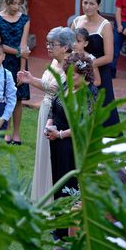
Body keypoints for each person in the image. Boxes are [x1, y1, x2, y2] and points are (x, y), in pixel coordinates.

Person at [17, 27, 73, 203]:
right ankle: (42, 195)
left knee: (54, 156)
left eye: (52, 44)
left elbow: (64, 91)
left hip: (60, 115)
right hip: (46, 110)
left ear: (65, 47)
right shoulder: (55, 62)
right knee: (43, 152)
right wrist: (31, 80)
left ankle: (53, 197)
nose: (48, 47)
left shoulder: (71, 65)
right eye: (47, 43)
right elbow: (50, 86)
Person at [45, 53, 97, 201]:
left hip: (73, 145)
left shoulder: (91, 93)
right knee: (57, 182)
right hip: (56, 142)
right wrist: (49, 125)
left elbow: (84, 124)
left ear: (84, 74)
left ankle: (68, 220)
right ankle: (58, 220)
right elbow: (54, 106)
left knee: (68, 185)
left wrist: (60, 134)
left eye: (73, 75)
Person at [71, 0, 119, 127]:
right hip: (78, 75)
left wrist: (87, 64)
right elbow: (69, 47)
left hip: (100, 75)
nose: (87, 6)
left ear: (99, 6)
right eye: (85, 3)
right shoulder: (76, 21)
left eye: (92, 3)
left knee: (104, 115)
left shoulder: (105, 25)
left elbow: (109, 57)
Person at [0, 0, 31, 145]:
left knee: (18, 99)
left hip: (19, 62)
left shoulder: (25, 19)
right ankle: (6, 132)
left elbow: (23, 45)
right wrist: (18, 52)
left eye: (19, 4)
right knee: (5, 98)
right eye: (13, 3)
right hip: (2, 62)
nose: (16, 7)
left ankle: (16, 133)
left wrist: (22, 69)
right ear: (6, 2)